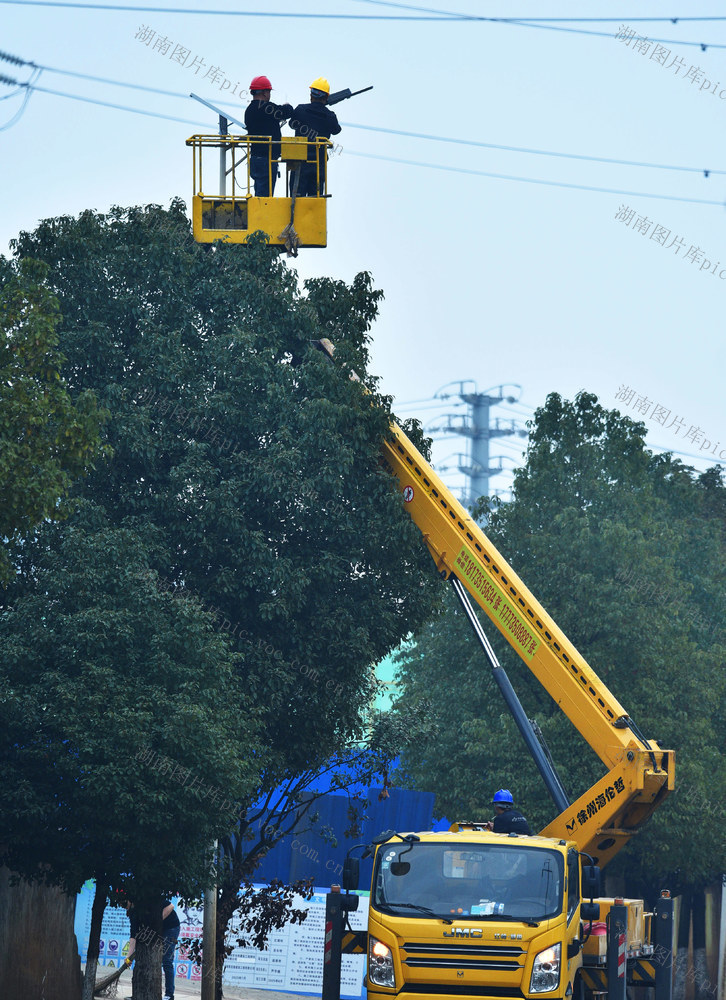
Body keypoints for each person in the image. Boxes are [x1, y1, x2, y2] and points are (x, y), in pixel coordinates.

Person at [289, 77, 342, 196]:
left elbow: (292, 124)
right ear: (326, 97)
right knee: (315, 199)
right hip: (318, 163)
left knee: (296, 199)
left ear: (311, 94)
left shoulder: (301, 110)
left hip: (299, 161)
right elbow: (336, 130)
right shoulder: (329, 115)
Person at [244, 75, 293, 197]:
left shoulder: (249, 110)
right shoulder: (267, 108)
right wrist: (288, 105)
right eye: (269, 91)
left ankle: (258, 213)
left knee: (259, 191)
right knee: (265, 197)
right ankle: (261, 215)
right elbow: (286, 112)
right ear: (265, 93)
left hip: (255, 159)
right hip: (267, 160)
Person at [123, 898, 181, 1000]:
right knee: (144, 956)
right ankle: (138, 994)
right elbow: (133, 935)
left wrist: (157, 923)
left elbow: (171, 906)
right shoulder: (133, 913)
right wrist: (129, 956)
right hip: (155, 930)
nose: (124, 906)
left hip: (170, 928)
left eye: (124, 903)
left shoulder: (147, 898)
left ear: (130, 899)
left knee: (167, 960)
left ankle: (169, 995)